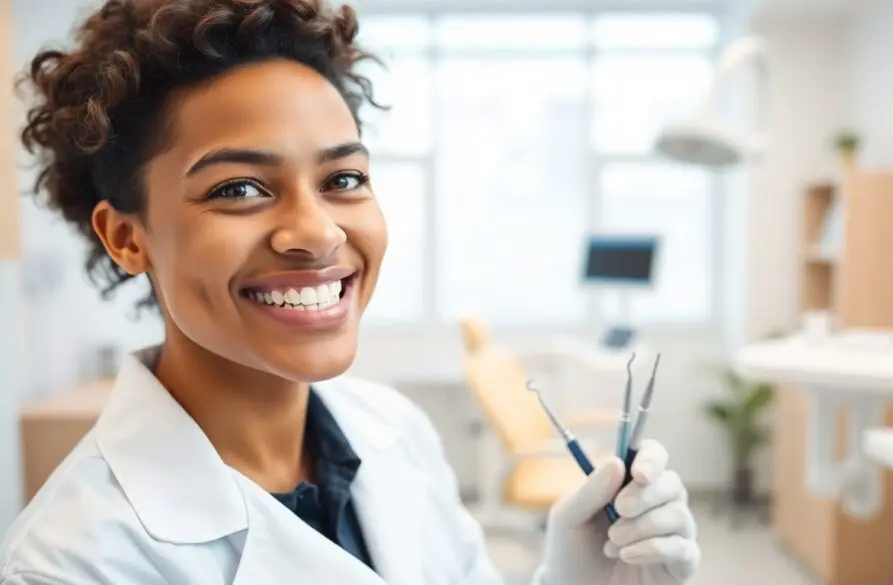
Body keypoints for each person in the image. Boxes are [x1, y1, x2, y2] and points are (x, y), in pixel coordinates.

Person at [0, 1, 701, 584]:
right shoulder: (73, 560)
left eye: (343, 179)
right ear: (127, 238)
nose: (318, 232)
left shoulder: (398, 431)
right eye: (238, 188)